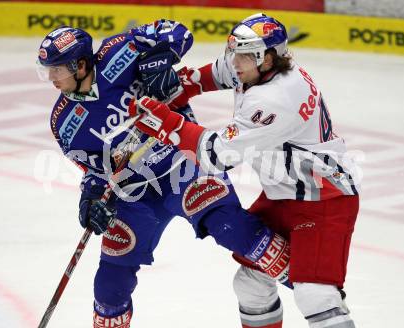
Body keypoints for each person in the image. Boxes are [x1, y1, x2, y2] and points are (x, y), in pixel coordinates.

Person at [36, 20, 292, 328]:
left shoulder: (118, 52)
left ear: (79, 65)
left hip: (184, 166)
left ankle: (315, 292)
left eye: (57, 69)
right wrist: (90, 197)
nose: (51, 78)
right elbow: (94, 170)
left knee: (236, 231)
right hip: (134, 195)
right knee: (109, 287)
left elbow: (177, 31)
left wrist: (160, 58)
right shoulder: (63, 121)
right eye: (47, 70)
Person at [133, 13, 360, 328]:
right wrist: (179, 88)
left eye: (244, 56)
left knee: (315, 295)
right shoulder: (259, 68)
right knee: (251, 284)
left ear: (268, 58)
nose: (235, 62)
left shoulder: (275, 99)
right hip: (285, 194)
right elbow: (216, 73)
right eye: (234, 52)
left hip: (324, 200)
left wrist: (167, 123)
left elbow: (216, 155)